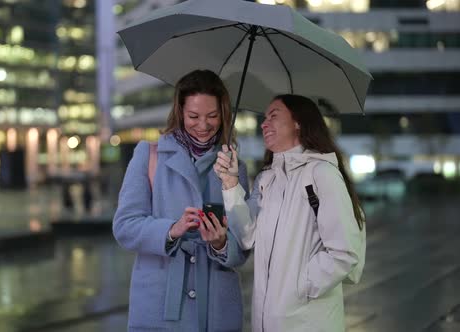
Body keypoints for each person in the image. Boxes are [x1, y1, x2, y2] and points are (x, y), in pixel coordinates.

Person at [214, 94, 366, 332]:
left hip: (306, 323)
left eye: (273, 116)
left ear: (299, 123)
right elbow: (246, 236)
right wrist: (230, 182)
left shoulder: (321, 174)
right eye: (264, 118)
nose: (264, 124)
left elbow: (345, 252)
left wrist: (301, 285)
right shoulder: (267, 178)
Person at [113, 69, 250, 332]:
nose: (203, 125)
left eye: (212, 116)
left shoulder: (235, 167)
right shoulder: (149, 155)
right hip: (160, 310)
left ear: (223, 114)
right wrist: (170, 230)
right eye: (193, 116)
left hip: (216, 314)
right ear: (180, 112)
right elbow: (124, 226)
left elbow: (244, 246)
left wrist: (221, 243)